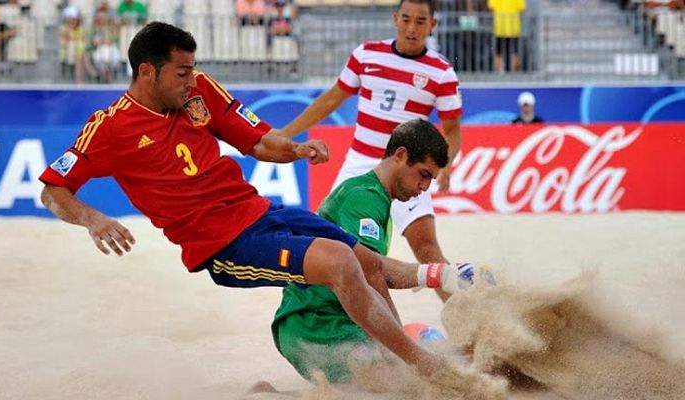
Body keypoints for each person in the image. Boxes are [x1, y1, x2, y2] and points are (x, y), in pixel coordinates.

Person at [38, 21, 450, 380]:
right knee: (341, 263)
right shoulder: (109, 127)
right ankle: (424, 366)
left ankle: (404, 358)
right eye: (182, 72)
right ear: (148, 72)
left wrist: (295, 149)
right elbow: (52, 189)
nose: (191, 80)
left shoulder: (199, 92)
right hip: (220, 243)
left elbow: (256, 141)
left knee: (367, 260)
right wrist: (92, 219)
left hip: (258, 210)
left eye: (192, 70)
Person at [272, 119, 492, 385]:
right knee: (407, 379)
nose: (425, 187)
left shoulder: (372, 195)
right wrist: (402, 348)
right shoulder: (364, 198)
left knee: (421, 355)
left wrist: (444, 274)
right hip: (315, 325)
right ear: (400, 155)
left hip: (337, 319)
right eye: (424, 174)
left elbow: (377, 267)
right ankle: (267, 393)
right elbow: (372, 273)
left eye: (431, 179)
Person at [281, 0, 462, 302]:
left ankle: (465, 317)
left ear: (432, 25)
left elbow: (453, 129)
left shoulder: (441, 73)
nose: (411, 28)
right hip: (360, 163)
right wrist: (286, 134)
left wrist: (445, 165)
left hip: (408, 167)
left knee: (427, 249)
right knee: (327, 240)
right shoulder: (366, 54)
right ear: (395, 19)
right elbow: (330, 100)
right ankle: (317, 312)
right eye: (406, 19)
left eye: (420, 21)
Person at [487, 0, 526, 72]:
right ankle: (514, 72)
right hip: (513, 26)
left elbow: (491, 7)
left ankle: (499, 71)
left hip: (500, 26)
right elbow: (522, 9)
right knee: (515, 51)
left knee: (498, 51)